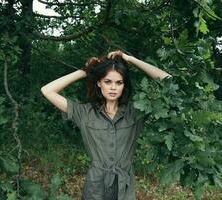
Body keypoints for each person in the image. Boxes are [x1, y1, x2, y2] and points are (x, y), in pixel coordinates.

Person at [41, 50, 172, 200]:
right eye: (107, 81)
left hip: (124, 188)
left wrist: (131, 59)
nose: (113, 87)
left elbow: (169, 82)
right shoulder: (84, 113)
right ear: (99, 83)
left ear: (124, 86)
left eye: (119, 82)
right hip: (95, 187)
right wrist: (85, 71)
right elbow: (47, 90)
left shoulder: (135, 112)